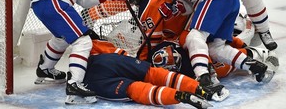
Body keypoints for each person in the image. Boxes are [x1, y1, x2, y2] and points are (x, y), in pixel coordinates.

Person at [145, 0, 275, 87]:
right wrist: (173, 9)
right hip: (227, 0)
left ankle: (203, 77)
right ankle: (255, 67)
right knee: (215, 48)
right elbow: (187, 7)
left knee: (194, 37)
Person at [30, 0, 131, 103]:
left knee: (63, 37)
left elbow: (82, 0)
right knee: (83, 41)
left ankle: (45, 68)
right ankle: (75, 83)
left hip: (46, 2)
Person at [82, 38, 226, 107]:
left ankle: (179, 96)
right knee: (153, 73)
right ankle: (199, 89)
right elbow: (114, 50)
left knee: (134, 89)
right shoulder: (88, 41)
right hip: (108, 59)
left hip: (91, 76)